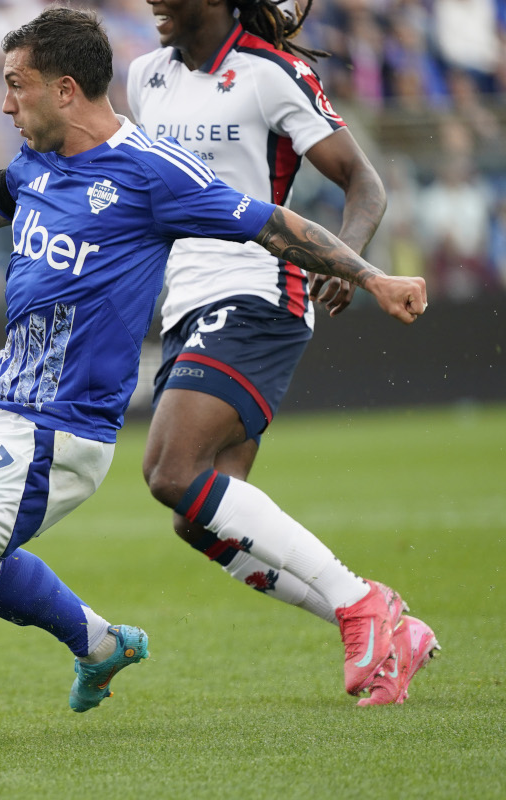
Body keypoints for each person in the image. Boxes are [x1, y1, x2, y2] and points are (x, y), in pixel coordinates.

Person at [0, 7, 427, 762]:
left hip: (58, 432)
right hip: (0, 405)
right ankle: (98, 644)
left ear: (65, 90)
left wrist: (370, 274)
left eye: (14, 87)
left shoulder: (151, 172)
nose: (4, 104)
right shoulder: (38, 160)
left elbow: (272, 225)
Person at [126, 0, 438, 706]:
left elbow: (365, 182)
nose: (150, 3)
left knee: (170, 471)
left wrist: (349, 260)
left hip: (259, 292)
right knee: (196, 516)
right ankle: (393, 628)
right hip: (184, 305)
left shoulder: (272, 74)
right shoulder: (144, 76)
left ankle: (362, 605)